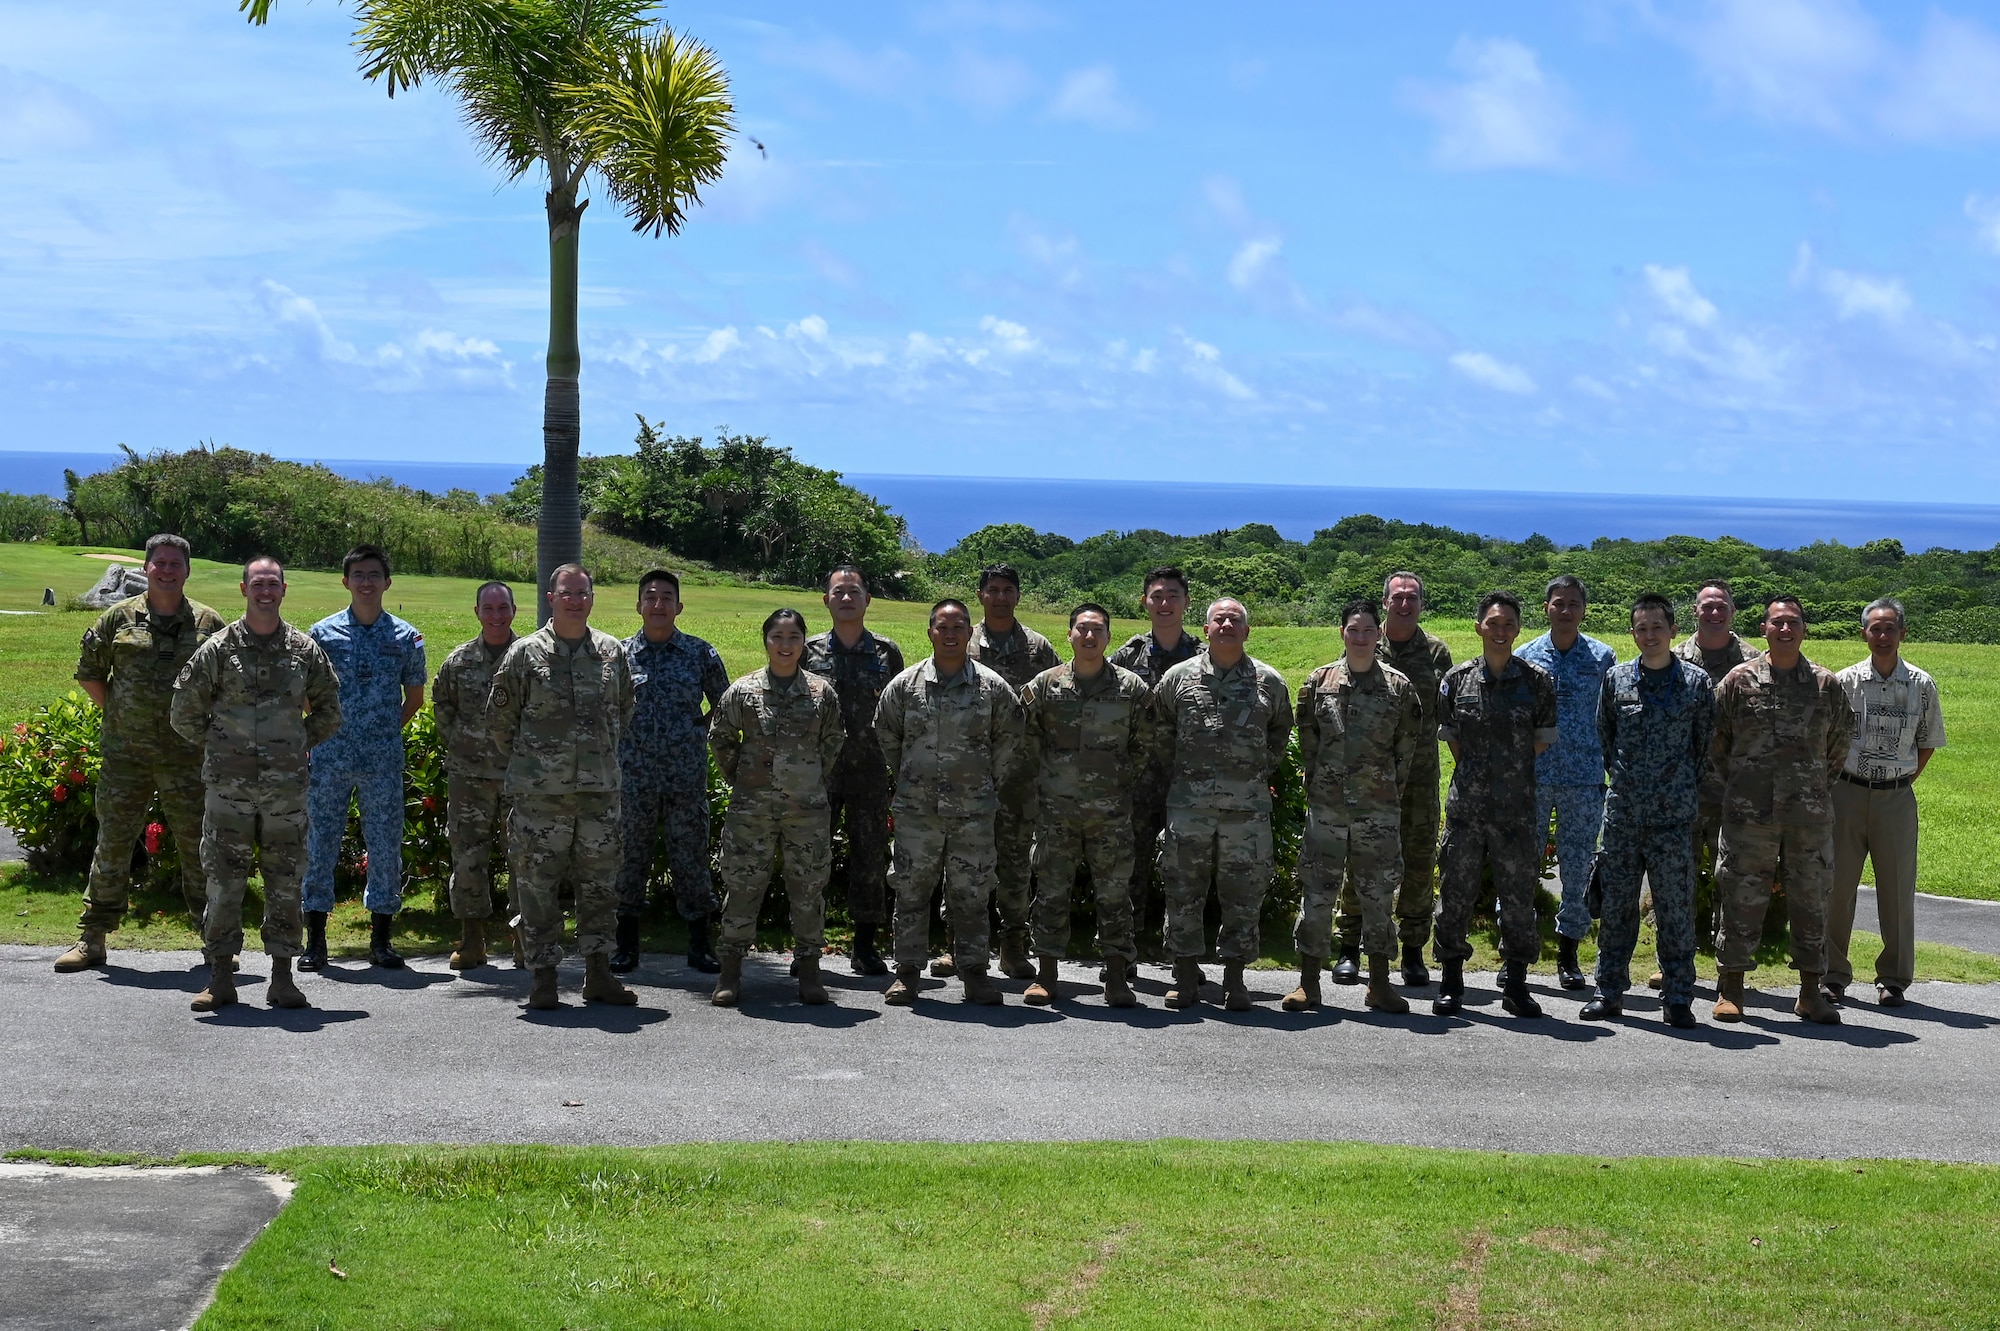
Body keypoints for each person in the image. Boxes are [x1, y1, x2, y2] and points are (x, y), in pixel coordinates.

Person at [170, 556, 341, 1012]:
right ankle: (220, 976)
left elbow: (330, 709)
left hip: (286, 791)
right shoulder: (218, 649)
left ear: (284, 590)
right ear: (243, 589)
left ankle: (282, 978)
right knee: (223, 882)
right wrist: (220, 744)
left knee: (285, 880)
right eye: (257, 584)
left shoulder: (304, 651)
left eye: (273, 584)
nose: (265, 591)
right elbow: (183, 710)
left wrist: (298, 741)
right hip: (228, 789)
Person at [56, 533, 225, 973]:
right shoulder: (116, 619)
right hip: (126, 755)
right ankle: (92, 939)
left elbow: (225, 684)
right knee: (112, 844)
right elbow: (90, 672)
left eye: (175, 564)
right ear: (146, 568)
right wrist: (119, 711)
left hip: (188, 757)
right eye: (159, 563)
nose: (166, 570)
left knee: (198, 849)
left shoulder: (209, 624)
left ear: (187, 571)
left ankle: (213, 944)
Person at [486, 564, 638, 1010]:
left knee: (600, 888)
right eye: (566, 593)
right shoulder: (524, 654)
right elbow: (501, 722)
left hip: (598, 796)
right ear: (550, 597)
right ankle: (544, 978)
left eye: (582, 592)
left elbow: (623, 711)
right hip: (540, 799)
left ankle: (598, 975)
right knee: (536, 888)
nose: (575, 600)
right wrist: (536, 767)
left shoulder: (612, 652)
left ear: (592, 597)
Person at [1709, 595, 1854, 1025]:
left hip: (1808, 817)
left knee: (1812, 901)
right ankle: (1730, 987)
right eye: (1777, 623)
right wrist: (1743, 786)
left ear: (1804, 629)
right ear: (1764, 629)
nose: (1785, 629)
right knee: (1739, 896)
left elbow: (1839, 746)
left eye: (1793, 622)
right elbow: (1718, 744)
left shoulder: (1826, 685)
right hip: (1748, 816)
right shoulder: (1738, 681)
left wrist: (1809, 788)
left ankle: (1811, 991)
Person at [874, 599, 1025, 1006]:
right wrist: (911, 774)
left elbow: (1010, 736)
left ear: (970, 632)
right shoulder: (905, 685)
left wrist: (984, 780)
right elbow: (887, 734)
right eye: (943, 626)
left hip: (973, 812)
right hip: (917, 811)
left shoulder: (992, 687)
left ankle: (974, 972)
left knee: (972, 894)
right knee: (910, 891)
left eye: (960, 626)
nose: (952, 633)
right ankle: (907, 972)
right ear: (930, 633)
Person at [1153, 598, 1293, 1011]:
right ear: (1207, 628)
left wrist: (1256, 770)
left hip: (1246, 812)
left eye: (1236, 620)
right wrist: (1181, 771)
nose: (1227, 624)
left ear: (1247, 631)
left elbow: (1281, 731)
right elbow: (1159, 728)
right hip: (1189, 808)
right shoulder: (1178, 678)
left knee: (1242, 896)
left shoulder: (1269, 681)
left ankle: (1235, 979)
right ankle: (1184, 977)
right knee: (1183, 892)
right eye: (1220, 619)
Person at [1585, 593, 1715, 1028]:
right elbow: (1606, 739)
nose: (1650, 635)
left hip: (1673, 819)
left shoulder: (1696, 684)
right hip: (1623, 815)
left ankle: (1678, 997)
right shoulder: (1616, 680)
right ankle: (1608, 991)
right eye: (1641, 628)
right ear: (1632, 633)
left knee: (1675, 910)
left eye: (1657, 626)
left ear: (1673, 630)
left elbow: (1703, 747)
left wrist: (1671, 788)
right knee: (1617, 908)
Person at [1017, 602, 1155, 1008]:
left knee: (1114, 895)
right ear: (1070, 635)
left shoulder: (1131, 688)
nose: (1090, 636)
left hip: (1110, 814)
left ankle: (1116, 977)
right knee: (1050, 892)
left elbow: (1144, 743)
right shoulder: (1045, 684)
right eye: (1082, 629)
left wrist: (1117, 781)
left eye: (1098, 629)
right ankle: (1046, 976)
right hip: (1056, 812)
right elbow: (1028, 738)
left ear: (1109, 637)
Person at [1290, 598, 1422, 1014]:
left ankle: (1379, 985)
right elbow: (1307, 739)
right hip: (1326, 809)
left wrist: (1383, 790)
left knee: (1378, 897)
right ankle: (1308, 983)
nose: (1360, 637)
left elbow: (1407, 749)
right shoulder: (1318, 682)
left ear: (1379, 634)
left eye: (1368, 630)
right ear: (1342, 633)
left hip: (1377, 811)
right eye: (1353, 630)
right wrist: (1319, 782)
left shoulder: (1399, 688)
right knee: (1316, 896)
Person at [707, 609, 846, 1007]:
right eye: (778, 637)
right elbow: (720, 735)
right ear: (766, 641)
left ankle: (810, 971)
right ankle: (730, 971)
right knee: (743, 886)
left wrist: (810, 777)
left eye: (793, 638)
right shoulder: (745, 689)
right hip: (752, 809)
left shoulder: (822, 692)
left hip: (807, 809)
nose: (786, 645)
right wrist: (741, 777)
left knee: (808, 889)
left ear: (803, 643)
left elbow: (834, 739)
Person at [301, 544, 427, 971]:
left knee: (385, 843)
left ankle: (381, 939)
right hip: (330, 754)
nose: (367, 582)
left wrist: (384, 728)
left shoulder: (405, 637)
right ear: (346, 581)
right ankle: (315, 939)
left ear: (387, 582)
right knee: (321, 842)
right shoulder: (322, 633)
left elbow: (414, 697)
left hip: (381, 758)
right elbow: (306, 693)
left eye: (374, 575)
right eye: (359, 575)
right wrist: (328, 729)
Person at [1433, 592, 1558, 1019]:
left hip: (1516, 811)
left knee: (1520, 899)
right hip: (1466, 810)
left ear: (1518, 629)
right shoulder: (1457, 679)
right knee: (1455, 897)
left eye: (1508, 624)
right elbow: (1453, 738)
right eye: (1493, 623)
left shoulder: (1538, 681)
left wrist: (1507, 772)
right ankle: (1451, 984)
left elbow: (1541, 741)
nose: (1500, 631)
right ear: (1479, 627)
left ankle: (1517, 985)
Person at [1333, 570, 1452, 987]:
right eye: (1397, 597)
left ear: (1421, 603)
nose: (1405, 604)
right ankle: (1350, 947)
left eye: (1412, 598)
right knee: (1360, 860)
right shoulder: (1366, 640)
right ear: (1385, 603)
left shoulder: (1436, 653)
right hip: (1369, 776)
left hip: (1419, 776)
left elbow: (1447, 716)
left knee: (1420, 863)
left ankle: (1413, 951)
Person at [1827, 598, 1945, 1008]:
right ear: (1864, 634)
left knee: (1896, 890)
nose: (1882, 636)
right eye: (1875, 629)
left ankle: (1893, 979)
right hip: (1845, 793)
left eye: (1890, 628)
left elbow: (1928, 742)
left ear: (1902, 633)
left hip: (1896, 799)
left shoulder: (1921, 684)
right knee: (1837, 887)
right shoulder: (1844, 682)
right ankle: (1832, 975)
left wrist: (1902, 778)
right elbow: (1828, 739)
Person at [614, 569, 730, 974]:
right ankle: (625, 945)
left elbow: (726, 704)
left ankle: (700, 944)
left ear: (679, 607)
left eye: (666, 597)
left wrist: (699, 729)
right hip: (634, 779)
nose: (658, 604)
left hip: (685, 778)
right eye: (650, 597)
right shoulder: (620, 654)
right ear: (639, 605)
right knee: (630, 859)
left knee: (691, 860)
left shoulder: (700, 654)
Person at [1656, 579, 1761, 989]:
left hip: (1736, 791)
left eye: (1721, 605)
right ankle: (1673, 963)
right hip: (1683, 790)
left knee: (1731, 881)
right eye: (1706, 606)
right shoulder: (1673, 656)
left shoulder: (1754, 661)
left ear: (1732, 611)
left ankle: (1727, 970)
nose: (1714, 612)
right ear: (1694, 611)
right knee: (1675, 880)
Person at [1517, 574, 1617, 991]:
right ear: (1546, 608)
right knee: (1521, 869)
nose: (1566, 610)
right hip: (1534, 778)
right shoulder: (1526, 656)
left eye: (1574, 603)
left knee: (1577, 869)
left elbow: (1611, 715)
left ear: (1584, 609)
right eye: (1559, 603)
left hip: (1583, 779)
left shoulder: (1601, 657)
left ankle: (1568, 954)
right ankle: (1516, 953)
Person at [803, 567, 904, 976]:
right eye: (838, 592)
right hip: (817, 774)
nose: (846, 598)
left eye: (854, 592)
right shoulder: (807, 651)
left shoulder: (886, 652)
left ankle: (864, 947)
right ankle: (807, 947)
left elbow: (900, 712)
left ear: (867, 600)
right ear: (826, 600)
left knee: (869, 860)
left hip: (869, 774)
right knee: (810, 862)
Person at [965, 562, 1060, 981]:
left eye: (1008, 590)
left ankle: (1013, 946)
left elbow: (1056, 705)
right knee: (965, 863)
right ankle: (961, 944)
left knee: (1016, 866)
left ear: (1018, 596)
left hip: (1020, 778)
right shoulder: (962, 642)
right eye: (993, 589)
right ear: (981, 595)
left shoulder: (1038, 648)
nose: (1000, 597)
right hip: (969, 773)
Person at [1109, 565, 1202, 952]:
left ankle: (1181, 956)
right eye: (1157, 596)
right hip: (1137, 781)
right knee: (1128, 867)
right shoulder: (1127, 655)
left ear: (1186, 602)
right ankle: (1125, 951)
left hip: (1189, 780)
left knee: (1186, 872)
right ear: (1145, 602)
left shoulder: (1204, 654)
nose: (1165, 604)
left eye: (1173, 596)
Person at [430, 580, 519, 970]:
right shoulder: (459, 660)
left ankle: (523, 940)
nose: (496, 616)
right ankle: (472, 940)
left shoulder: (529, 659)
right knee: (467, 860)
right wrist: (461, 742)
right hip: (469, 778)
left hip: (519, 778)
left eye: (503, 608)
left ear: (513, 611)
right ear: (477, 612)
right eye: (489, 608)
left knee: (525, 861)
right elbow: (441, 702)